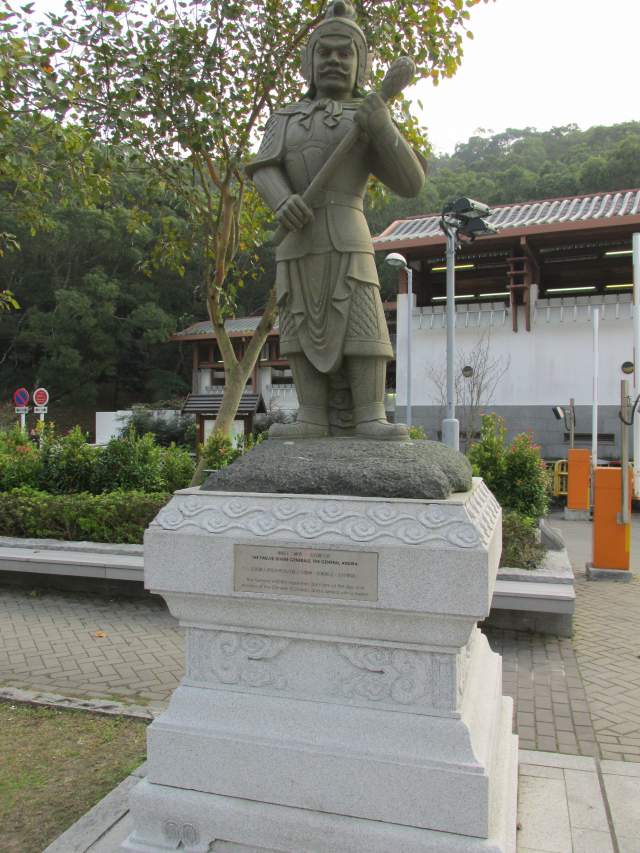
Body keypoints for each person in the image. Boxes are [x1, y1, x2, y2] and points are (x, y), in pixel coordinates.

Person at [247, 0, 425, 440]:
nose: (333, 60)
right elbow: (264, 167)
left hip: (348, 230)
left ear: (361, 62)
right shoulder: (285, 119)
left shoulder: (368, 115)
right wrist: (281, 199)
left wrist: (382, 125)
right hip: (299, 235)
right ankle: (313, 415)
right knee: (298, 320)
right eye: (324, 52)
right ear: (309, 62)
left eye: (345, 52)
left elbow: (411, 182)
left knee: (362, 317)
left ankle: (370, 414)